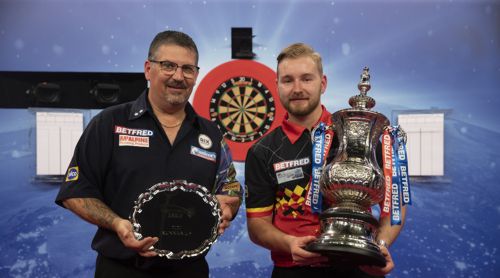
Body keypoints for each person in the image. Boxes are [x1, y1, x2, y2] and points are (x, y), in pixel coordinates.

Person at [55, 30, 242, 278]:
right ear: (147, 69)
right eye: (168, 66)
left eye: (187, 69)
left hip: (189, 271)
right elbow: (75, 191)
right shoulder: (110, 123)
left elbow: (229, 186)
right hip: (122, 270)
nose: (178, 76)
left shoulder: (211, 135)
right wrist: (117, 224)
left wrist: (228, 207)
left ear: (196, 75)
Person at [245, 43, 406, 278]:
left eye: (307, 79)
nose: (297, 88)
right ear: (277, 85)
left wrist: (378, 246)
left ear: (323, 83)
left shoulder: (360, 133)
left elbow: (394, 205)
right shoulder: (263, 151)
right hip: (294, 270)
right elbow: (257, 226)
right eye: (288, 80)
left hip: (358, 268)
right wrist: (289, 243)